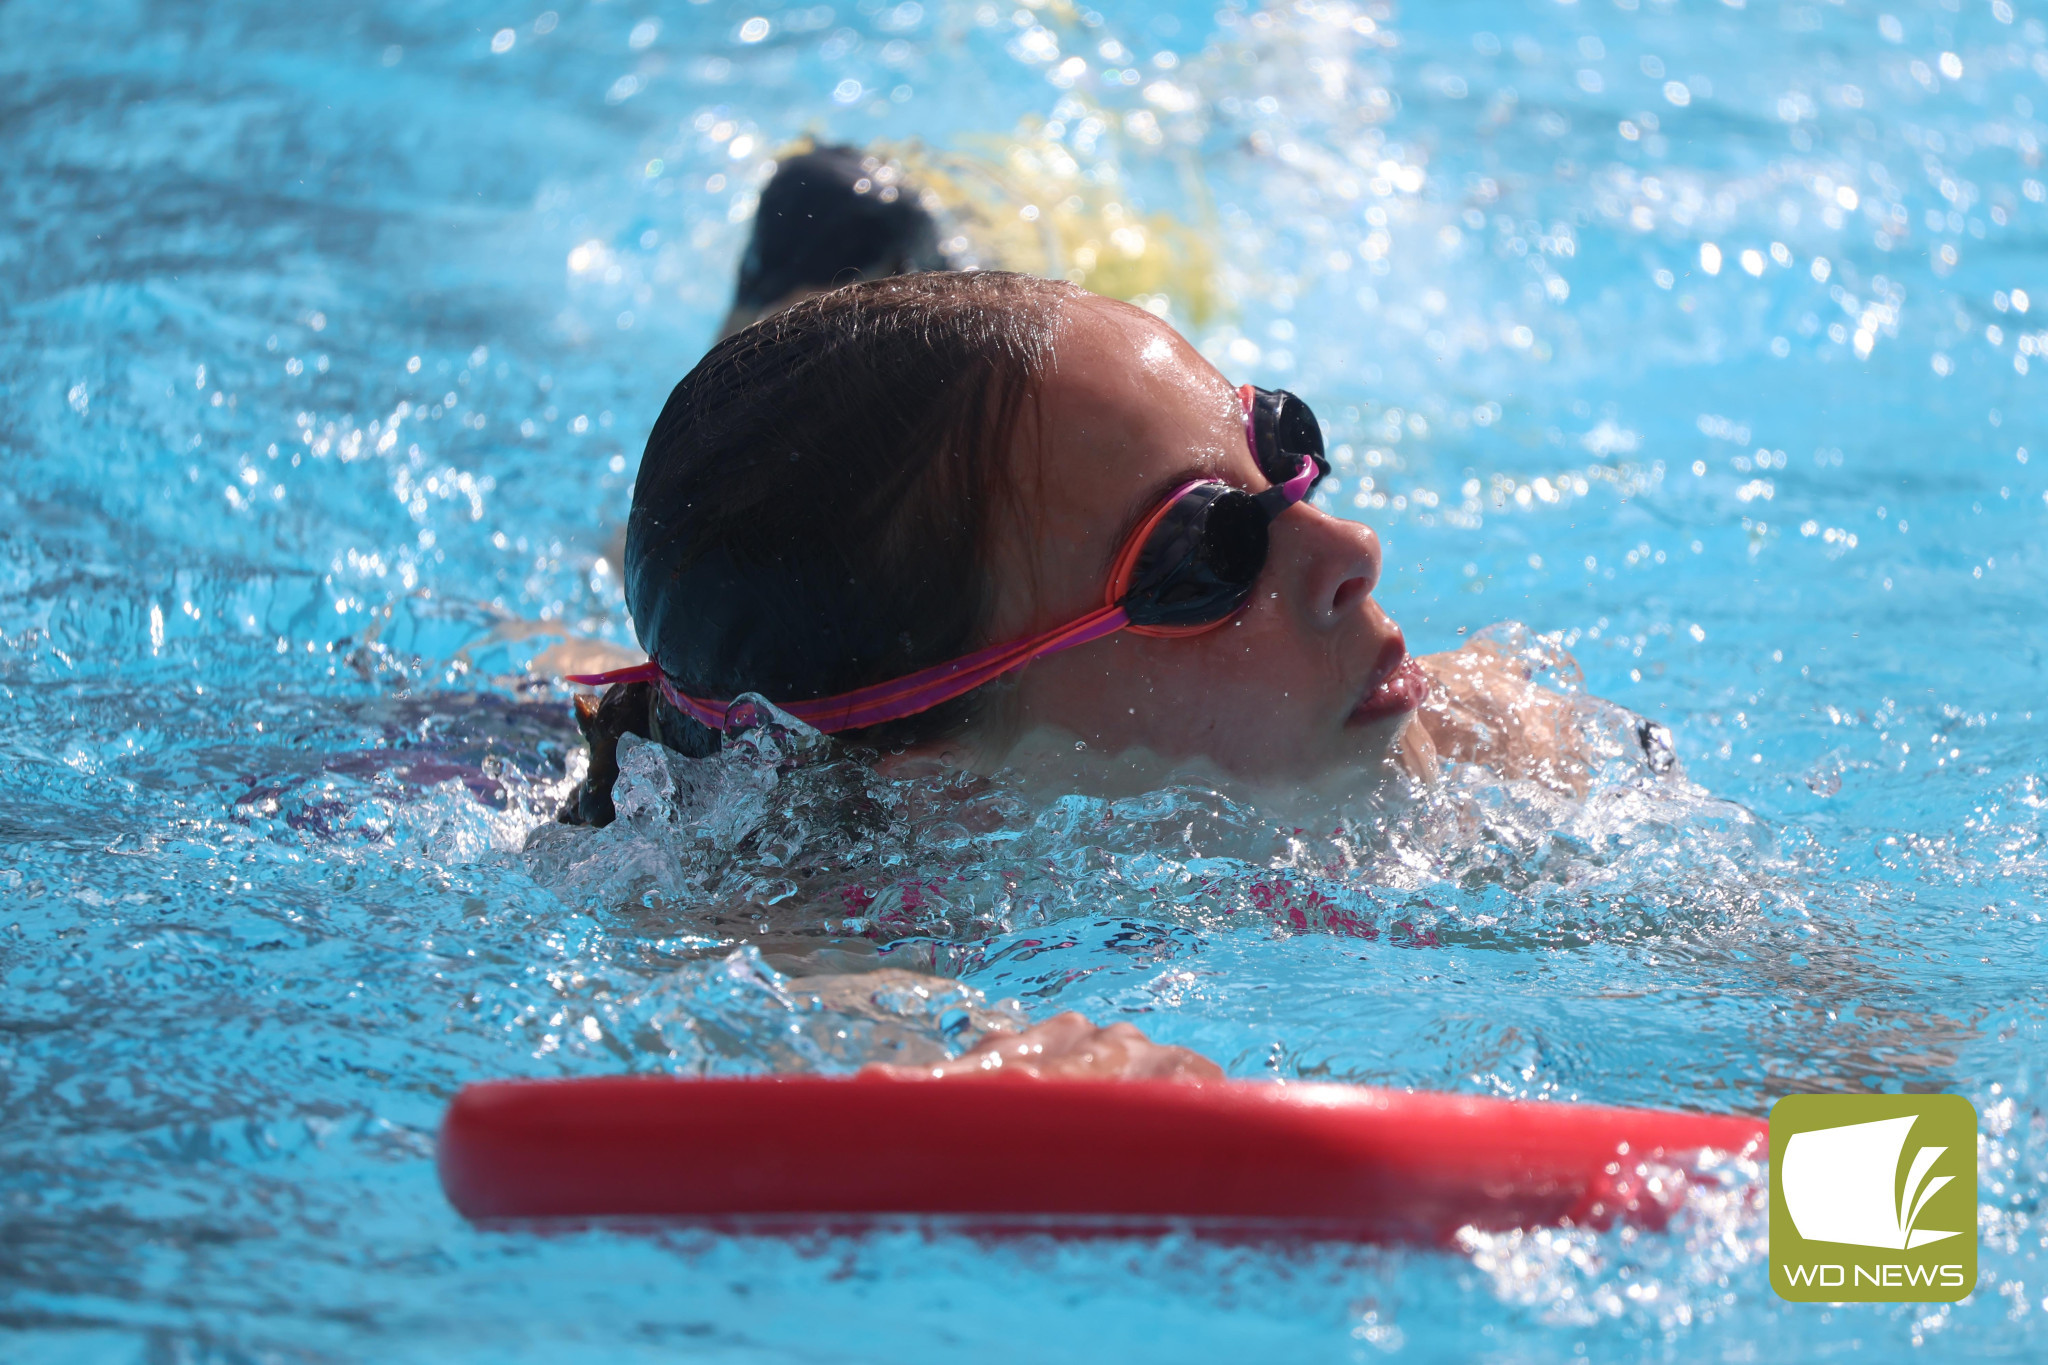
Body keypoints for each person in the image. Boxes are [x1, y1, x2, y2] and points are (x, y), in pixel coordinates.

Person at [553, 147, 1642, 1079]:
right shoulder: (828, 904)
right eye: (1201, 551)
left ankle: (817, 313)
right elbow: (740, 982)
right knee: (553, 673)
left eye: (1272, 446)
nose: (1352, 549)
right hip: (547, 730)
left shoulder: (1490, 746)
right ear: (954, 786)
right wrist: (973, 1053)